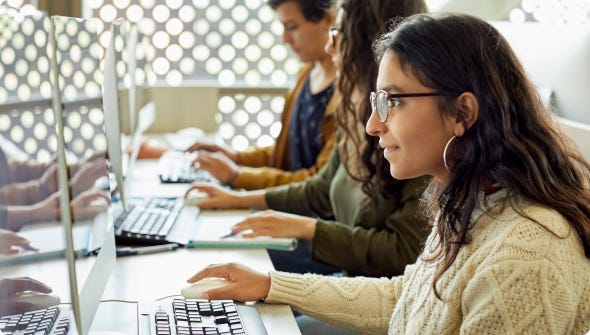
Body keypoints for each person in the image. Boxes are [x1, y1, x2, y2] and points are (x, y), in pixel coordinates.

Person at [185, 13, 590, 334]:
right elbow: (405, 298)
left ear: (462, 113)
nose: (373, 126)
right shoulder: (474, 201)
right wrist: (272, 286)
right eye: (378, 100)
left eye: (392, 101)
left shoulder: (524, 257)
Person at [185, 0, 429, 278]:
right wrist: (236, 193)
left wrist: (302, 227)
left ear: (369, 44)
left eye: (338, 34)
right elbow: (318, 187)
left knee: (238, 269)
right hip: (352, 281)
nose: (329, 46)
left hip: (367, 294)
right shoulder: (355, 110)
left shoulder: (416, 136)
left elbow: (402, 254)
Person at [185, 0, 339, 190]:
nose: (285, 39)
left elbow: (319, 183)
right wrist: (236, 157)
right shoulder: (307, 74)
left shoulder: (347, 94)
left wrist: (237, 176)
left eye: (292, 27)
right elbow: (287, 154)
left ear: (329, 19)